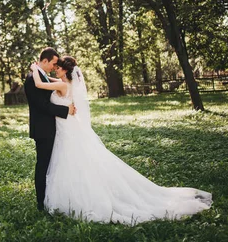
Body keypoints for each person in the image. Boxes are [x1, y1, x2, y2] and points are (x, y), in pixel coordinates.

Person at [30, 56, 212, 225]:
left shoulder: (63, 86)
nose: (55, 70)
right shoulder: (65, 83)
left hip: (67, 129)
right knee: (73, 161)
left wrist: (35, 68)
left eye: (58, 67)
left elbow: (39, 84)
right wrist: (43, 72)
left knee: (73, 161)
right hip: (66, 128)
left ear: (65, 71)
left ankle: (76, 197)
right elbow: (50, 81)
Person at [24, 47, 76, 212]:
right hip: (43, 130)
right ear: (44, 61)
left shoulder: (43, 76)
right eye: (53, 63)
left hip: (53, 129)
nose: (55, 67)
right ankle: (41, 202)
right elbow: (42, 106)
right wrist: (65, 110)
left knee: (53, 165)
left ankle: (52, 197)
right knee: (43, 166)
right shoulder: (33, 78)